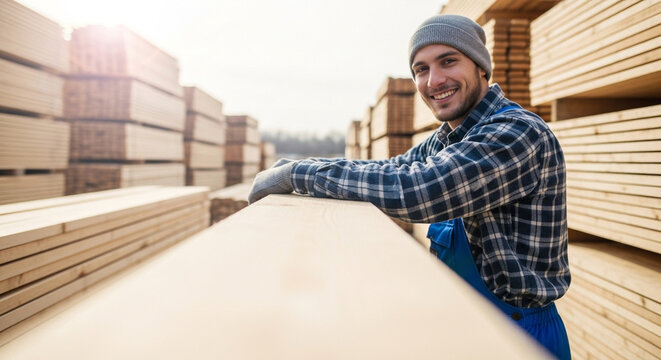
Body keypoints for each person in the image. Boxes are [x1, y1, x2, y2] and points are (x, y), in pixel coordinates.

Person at [249, 14, 571, 359]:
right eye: (421, 69)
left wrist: (300, 175)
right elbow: (392, 167)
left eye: (448, 61)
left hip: (520, 335)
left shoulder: (516, 133)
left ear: (480, 66)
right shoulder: (451, 138)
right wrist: (308, 166)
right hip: (467, 323)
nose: (434, 80)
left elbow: (418, 189)